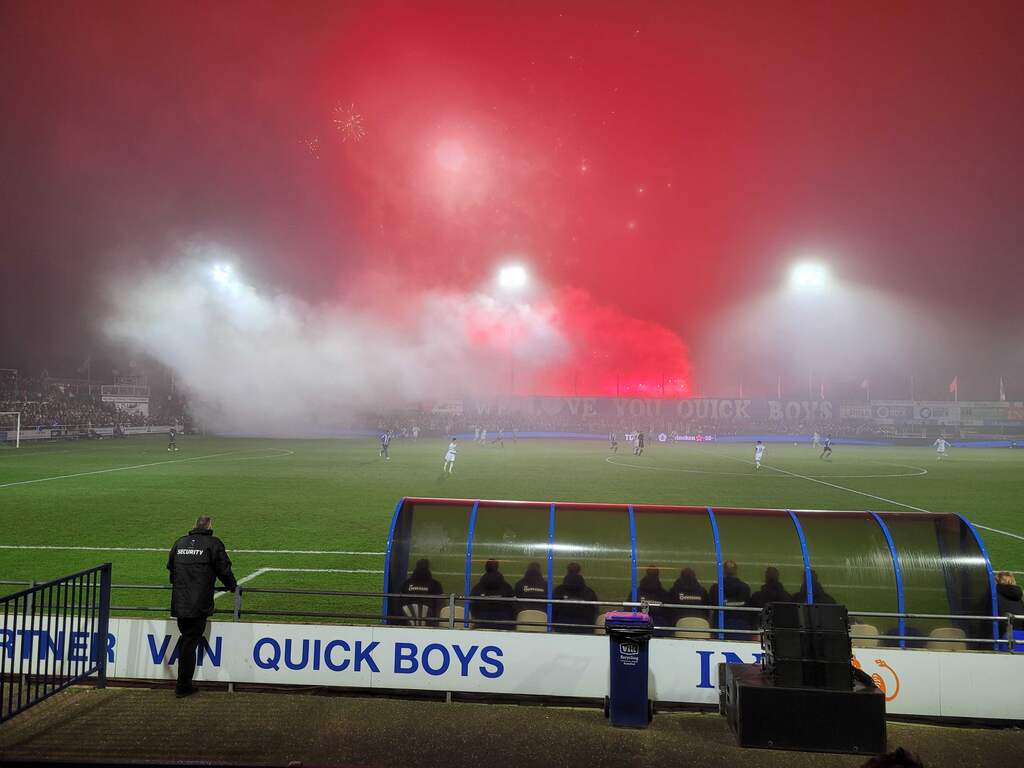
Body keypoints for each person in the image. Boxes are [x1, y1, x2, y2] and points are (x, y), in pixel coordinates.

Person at [167, 516, 237, 698]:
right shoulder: (212, 544)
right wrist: (232, 585)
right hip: (198, 603)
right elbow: (224, 569)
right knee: (190, 642)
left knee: (186, 639)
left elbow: (171, 571)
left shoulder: (179, 543)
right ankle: (183, 687)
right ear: (210, 526)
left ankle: (182, 683)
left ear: (194, 526)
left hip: (180, 602)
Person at [709, 560, 753, 639]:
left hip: (721, 628)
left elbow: (710, 610)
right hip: (741, 630)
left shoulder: (716, 588)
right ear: (736, 571)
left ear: (724, 571)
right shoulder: (745, 588)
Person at [551, 562, 598, 634]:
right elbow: (594, 611)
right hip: (584, 629)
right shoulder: (589, 592)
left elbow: (553, 611)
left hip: (561, 629)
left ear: (567, 571)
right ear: (579, 571)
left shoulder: (558, 590)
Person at [395, 558, 444, 626]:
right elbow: (440, 605)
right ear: (428, 568)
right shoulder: (435, 584)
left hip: (406, 621)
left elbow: (400, 603)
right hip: (429, 622)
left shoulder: (406, 584)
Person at [469, 559, 516, 629]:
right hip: (504, 625)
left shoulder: (477, 588)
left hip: (481, 625)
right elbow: (513, 608)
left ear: (486, 568)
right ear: (497, 567)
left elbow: (472, 607)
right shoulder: (507, 587)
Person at [630, 566, 671, 631]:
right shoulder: (664, 594)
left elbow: (628, 610)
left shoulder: (636, 593)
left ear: (646, 574)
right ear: (658, 575)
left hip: (639, 628)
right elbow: (670, 615)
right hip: (659, 629)